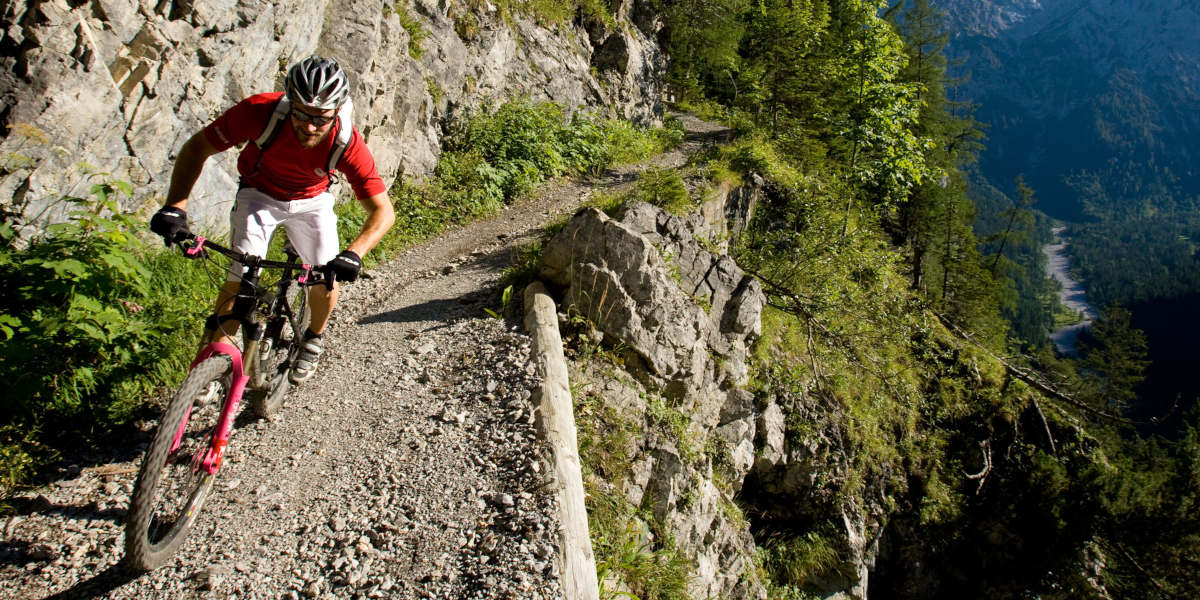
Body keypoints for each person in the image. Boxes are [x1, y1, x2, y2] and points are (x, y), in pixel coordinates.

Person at [149, 56, 395, 384]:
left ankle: (313, 338)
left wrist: (354, 254)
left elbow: (383, 212)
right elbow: (197, 148)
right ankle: (209, 369)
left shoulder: (347, 142)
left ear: (336, 111)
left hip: (312, 203)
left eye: (320, 118)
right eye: (302, 114)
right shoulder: (259, 112)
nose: (310, 126)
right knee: (241, 279)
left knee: (325, 278)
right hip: (259, 194)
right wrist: (175, 206)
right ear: (289, 102)